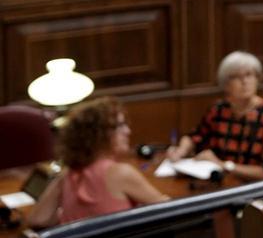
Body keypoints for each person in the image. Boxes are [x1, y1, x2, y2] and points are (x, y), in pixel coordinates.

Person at [25, 97, 168, 228]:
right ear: (98, 134)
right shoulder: (119, 173)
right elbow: (169, 211)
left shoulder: (69, 174)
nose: (128, 131)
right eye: (120, 126)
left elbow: (37, 220)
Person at [165, 51, 263, 180]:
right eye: (236, 77)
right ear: (226, 84)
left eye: (249, 75)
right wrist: (180, 151)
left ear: (257, 79)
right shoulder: (219, 109)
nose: (244, 81)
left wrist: (222, 165)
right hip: (221, 181)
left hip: (255, 189)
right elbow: (195, 136)